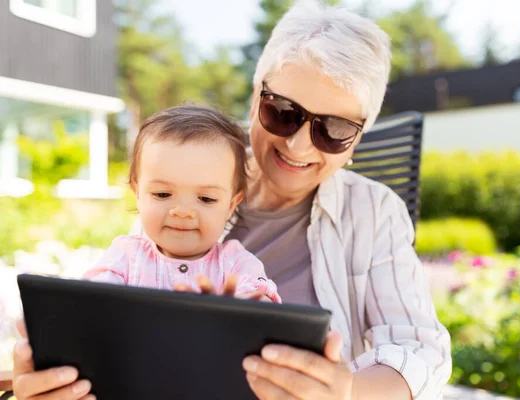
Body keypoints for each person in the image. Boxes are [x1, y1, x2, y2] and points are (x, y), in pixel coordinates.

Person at [11, 2, 451, 399]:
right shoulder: (190, 175)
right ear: (256, 96)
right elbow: (114, 307)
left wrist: (346, 393)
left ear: (356, 140)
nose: (298, 146)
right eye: (283, 111)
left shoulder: (373, 213)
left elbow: (420, 352)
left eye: (333, 130)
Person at [80, 105, 280, 303]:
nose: (183, 212)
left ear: (230, 205)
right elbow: (91, 301)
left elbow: (263, 303)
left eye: (206, 198)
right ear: (137, 194)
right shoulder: (126, 257)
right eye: (163, 193)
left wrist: (241, 307)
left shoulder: (235, 263)